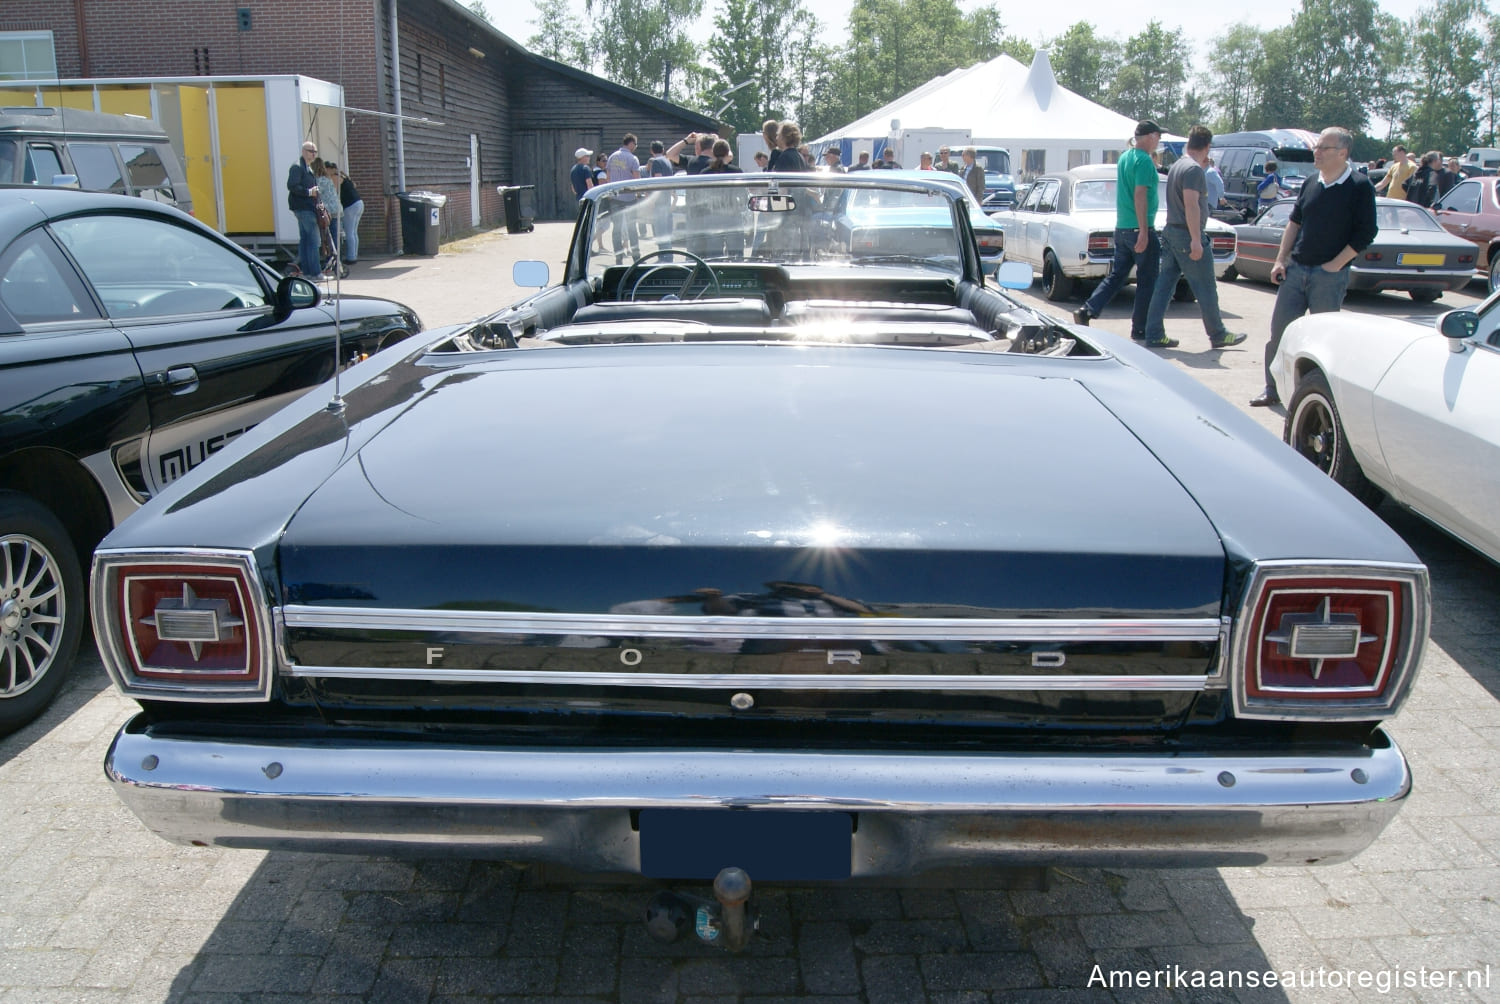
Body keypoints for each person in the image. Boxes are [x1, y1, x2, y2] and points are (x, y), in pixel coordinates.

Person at [1251, 126, 1377, 407]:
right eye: (1316, 147)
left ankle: (1320, 397)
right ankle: (1272, 389)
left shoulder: (1358, 186)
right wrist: (1281, 259)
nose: (1315, 152)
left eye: (1323, 148)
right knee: (1279, 334)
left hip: (1328, 278)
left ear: (1343, 153)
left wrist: (1335, 265)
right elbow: (1294, 222)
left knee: (1323, 343)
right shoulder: (1311, 182)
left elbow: (1366, 233)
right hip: (1296, 271)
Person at [1141, 126, 1247, 351]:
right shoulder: (1193, 170)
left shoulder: (1180, 165)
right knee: (1206, 286)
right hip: (1186, 235)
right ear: (1207, 146)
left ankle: (1153, 333)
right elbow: (1191, 204)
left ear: (1190, 142)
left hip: (1172, 231)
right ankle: (1218, 333)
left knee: (1164, 285)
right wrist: (1196, 239)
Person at [1072, 121, 1163, 338]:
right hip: (1139, 228)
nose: (1159, 141)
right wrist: (1143, 230)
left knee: (1117, 275)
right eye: (1158, 136)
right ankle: (1139, 327)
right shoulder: (1144, 161)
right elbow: (1140, 194)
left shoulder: (1125, 157)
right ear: (1150, 136)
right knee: (1147, 280)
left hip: (1122, 227)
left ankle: (1088, 309)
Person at [286, 140, 322, 279]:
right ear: (303, 152)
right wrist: (309, 192)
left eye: (315, 152)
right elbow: (292, 186)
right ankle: (315, 272)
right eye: (310, 151)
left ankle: (307, 272)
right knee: (313, 241)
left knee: (306, 240)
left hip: (307, 207)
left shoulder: (307, 167)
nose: (313, 154)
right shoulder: (297, 167)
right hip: (303, 208)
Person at [605, 133, 643, 261]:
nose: (635, 147)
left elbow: (608, 176)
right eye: (635, 144)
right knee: (632, 228)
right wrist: (638, 194)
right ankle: (636, 257)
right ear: (631, 143)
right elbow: (637, 179)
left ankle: (618, 256)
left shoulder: (612, 157)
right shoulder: (633, 158)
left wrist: (610, 193)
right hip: (629, 198)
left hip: (615, 197)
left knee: (616, 229)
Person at [317, 159, 345, 278]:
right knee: (335, 236)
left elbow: (316, 194)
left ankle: (332, 260)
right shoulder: (328, 179)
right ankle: (338, 261)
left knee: (329, 238)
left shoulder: (319, 181)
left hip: (329, 211)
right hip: (337, 209)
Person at [337, 163, 364, 265]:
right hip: (359, 203)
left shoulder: (337, 178)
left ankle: (351, 258)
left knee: (349, 232)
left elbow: (336, 193)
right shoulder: (346, 178)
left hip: (350, 206)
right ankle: (354, 255)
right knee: (353, 232)